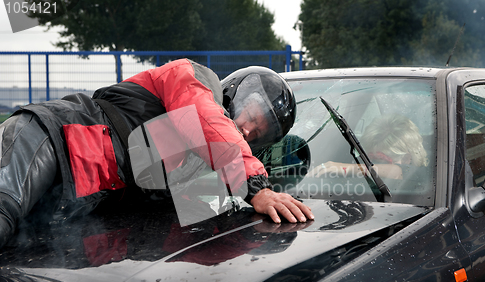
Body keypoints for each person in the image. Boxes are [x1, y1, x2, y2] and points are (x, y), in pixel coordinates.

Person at [0, 59, 314, 250]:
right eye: (251, 116)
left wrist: (252, 244)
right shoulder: (194, 77)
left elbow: (192, 234)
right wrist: (256, 186)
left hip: (67, 204)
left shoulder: (205, 168)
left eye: (257, 134)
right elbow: (205, 116)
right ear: (234, 91)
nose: (247, 131)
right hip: (48, 140)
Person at [310, 114, 428, 179]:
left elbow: (399, 171)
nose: (372, 165)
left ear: (407, 159)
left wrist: (349, 169)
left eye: (383, 161)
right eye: (369, 159)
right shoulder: (362, 180)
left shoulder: (423, 178)